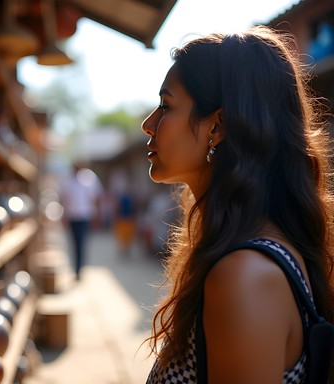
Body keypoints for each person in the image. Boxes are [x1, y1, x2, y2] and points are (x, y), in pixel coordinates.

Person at [141, 26, 334, 383]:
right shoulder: (246, 254)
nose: (148, 124)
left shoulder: (243, 275)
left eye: (166, 106)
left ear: (219, 126)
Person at [59, 162, 103, 279]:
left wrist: (97, 216)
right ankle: (77, 268)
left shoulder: (89, 178)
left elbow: (97, 197)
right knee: (74, 243)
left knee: (82, 243)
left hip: (84, 216)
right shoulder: (67, 180)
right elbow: (62, 198)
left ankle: (80, 268)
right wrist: (63, 217)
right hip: (72, 216)